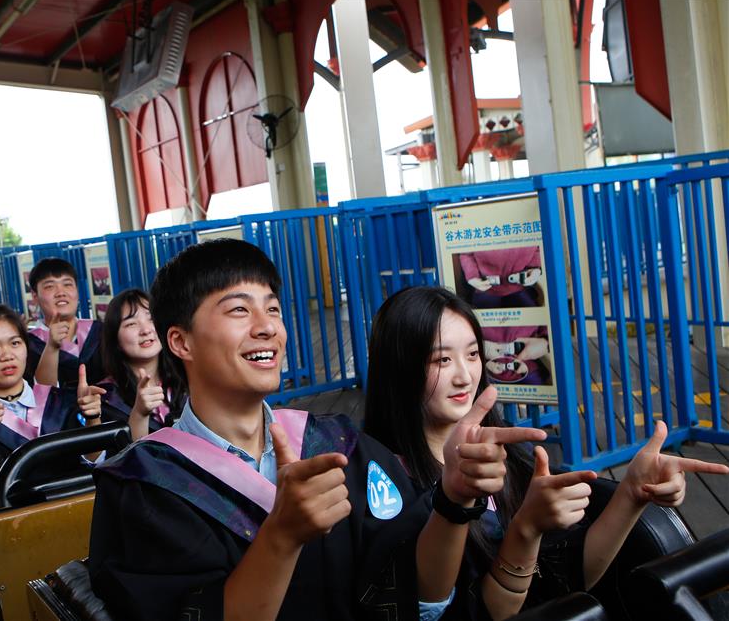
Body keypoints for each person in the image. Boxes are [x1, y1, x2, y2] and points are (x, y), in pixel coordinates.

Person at [87, 239, 543, 621]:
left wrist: (451, 502)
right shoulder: (145, 486)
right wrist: (281, 536)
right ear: (180, 341)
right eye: (239, 311)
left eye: (273, 308)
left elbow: (419, 601)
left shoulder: (338, 446)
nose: (267, 327)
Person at [362, 286, 729, 620]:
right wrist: (525, 529)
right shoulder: (387, 484)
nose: (464, 376)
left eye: (473, 354)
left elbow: (571, 575)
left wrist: (632, 492)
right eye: (441, 360)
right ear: (399, 368)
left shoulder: (510, 455)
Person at [0, 305, 107, 504]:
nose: (7, 355)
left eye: (15, 343)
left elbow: (93, 467)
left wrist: (94, 418)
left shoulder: (62, 400)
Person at [100, 289, 187, 440]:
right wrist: (139, 413)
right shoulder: (106, 398)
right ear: (115, 339)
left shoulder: (187, 380)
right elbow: (126, 459)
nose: (146, 330)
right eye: (131, 324)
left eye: (151, 318)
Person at [26, 258, 104, 389]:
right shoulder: (28, 344)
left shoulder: (100, 331)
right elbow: (40, 394)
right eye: (50, 286)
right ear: (35, 296)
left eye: (67, 284)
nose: (61, 293)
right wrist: (51, 346)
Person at [459, 248, 542, 309]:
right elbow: (466, 254)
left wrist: (535, 269)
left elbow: (537, 249)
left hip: (519, 287)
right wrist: (472, 276)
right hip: (486, 287)